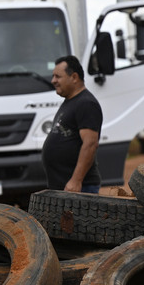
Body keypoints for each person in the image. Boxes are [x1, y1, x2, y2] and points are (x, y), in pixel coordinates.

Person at [42, 55, 102, 193]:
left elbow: (90, 144)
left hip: (79, 188)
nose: (53, 81)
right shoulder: (70, 102)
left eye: (58, 76)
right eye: (53, 76)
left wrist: (76, 180)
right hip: (63, 187)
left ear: (74, 77)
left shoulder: (86, 103)